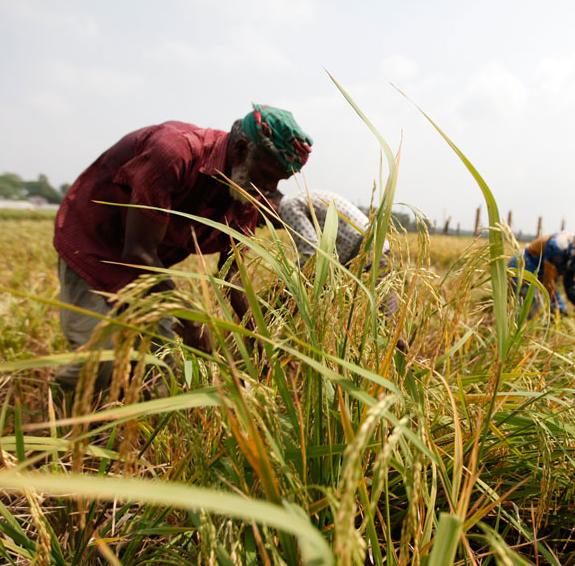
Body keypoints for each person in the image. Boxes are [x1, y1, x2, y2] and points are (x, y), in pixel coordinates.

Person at [52, 104, 312, 391]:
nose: (269, 187)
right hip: (94, 247)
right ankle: (60, 423)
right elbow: (137, 252)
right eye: (268, 174)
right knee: (101, 362)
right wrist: (191, 320)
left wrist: (259, 335)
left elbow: (233, 274)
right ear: (240, 150)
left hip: (149, 269)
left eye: (278, 181)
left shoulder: (247, 193)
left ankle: (132, 430)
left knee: (159, 369)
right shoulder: (174, 152)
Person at [265, 188, 400, 321]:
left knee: (388, 324)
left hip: (371, 253)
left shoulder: (287, 206)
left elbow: (313, 254)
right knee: (388, 320)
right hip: (376, 250)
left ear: (269, 202)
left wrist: (285, 280)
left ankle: (264, 323)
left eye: (260, 213)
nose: (260, 223)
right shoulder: (301, 198)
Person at [509, 212, 575, 318]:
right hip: (522, 269)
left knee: (549, 312)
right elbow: (549, 284)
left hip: (540, 275)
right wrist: (561, 309)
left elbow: (569, 281)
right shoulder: (560, 245)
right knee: (537, 318)